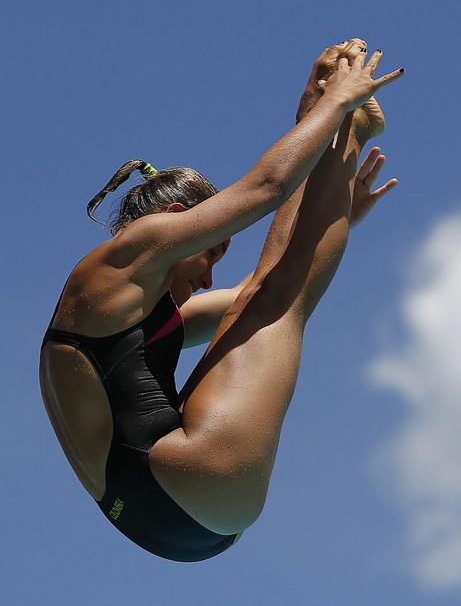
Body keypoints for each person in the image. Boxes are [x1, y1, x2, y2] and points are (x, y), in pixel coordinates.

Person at [39, 39, 403, 561]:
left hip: (166, 514)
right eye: (210, 253)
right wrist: (330, 105)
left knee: (270, 295)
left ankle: (346, 137)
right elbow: (267, 189)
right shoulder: (122, 258)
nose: (209, 278)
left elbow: (267, 281)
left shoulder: (127, 317)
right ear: (177, 219)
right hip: (182, 480)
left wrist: (335, 210)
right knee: (276, 300)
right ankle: (348, 133)